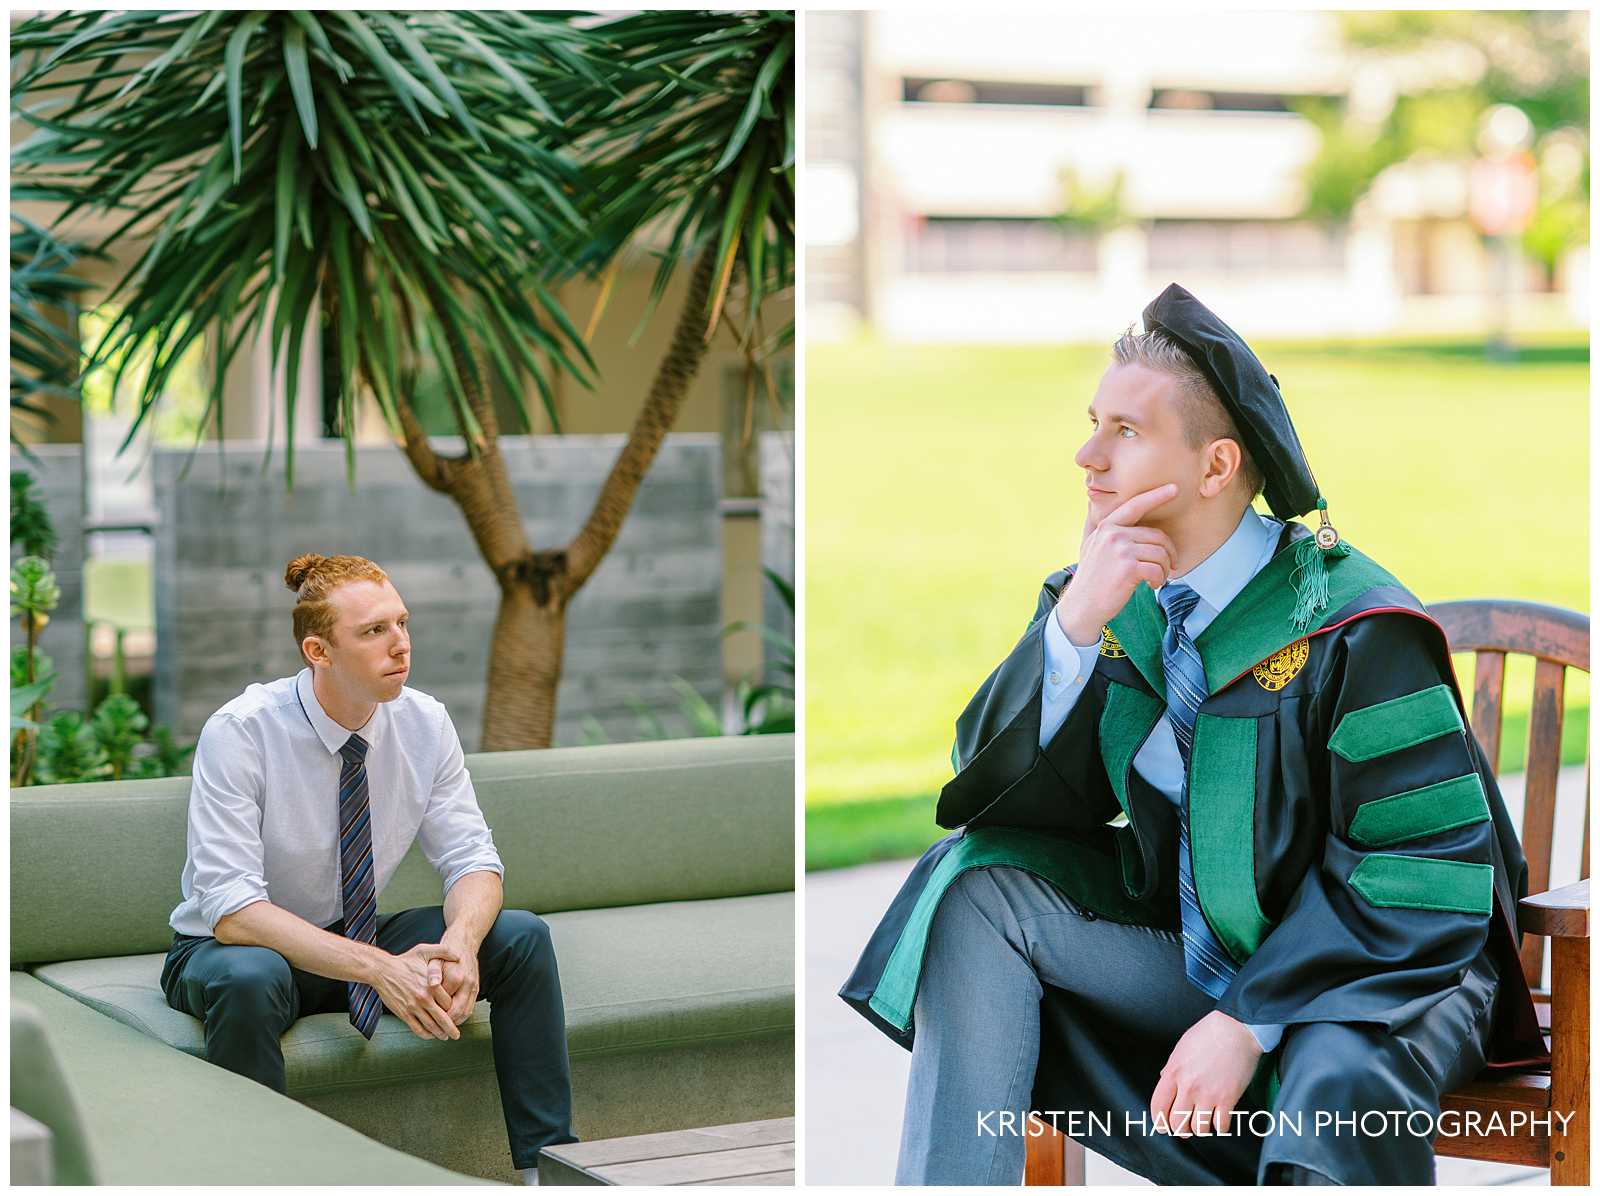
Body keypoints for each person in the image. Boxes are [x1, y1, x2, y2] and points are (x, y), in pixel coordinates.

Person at [841, 284, 1550, 1185]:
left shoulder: (1351, 627)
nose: (1086, 456)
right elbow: (991, 789)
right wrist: (1069, 633)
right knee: (975, 889)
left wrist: (1248, 1018)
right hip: (1200, 948)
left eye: (1125, 432)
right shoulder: (1108, 600)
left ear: (1216, 468)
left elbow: (1425, 876)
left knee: (1334, 1077)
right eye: (1093, 421)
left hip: (1385, 972)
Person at [160, 552, 575, 1185]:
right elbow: (232, 910)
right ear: (317, 651)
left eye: (402, 623)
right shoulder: (241, 733)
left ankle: (547, 1170)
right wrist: (384, 971)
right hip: (233, 949)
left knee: (520, 939)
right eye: (374, 631)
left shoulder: (425, 722)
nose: (400, 645)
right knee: (248, 977)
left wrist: (460, 945)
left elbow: (472, 859)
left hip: (352, 934)